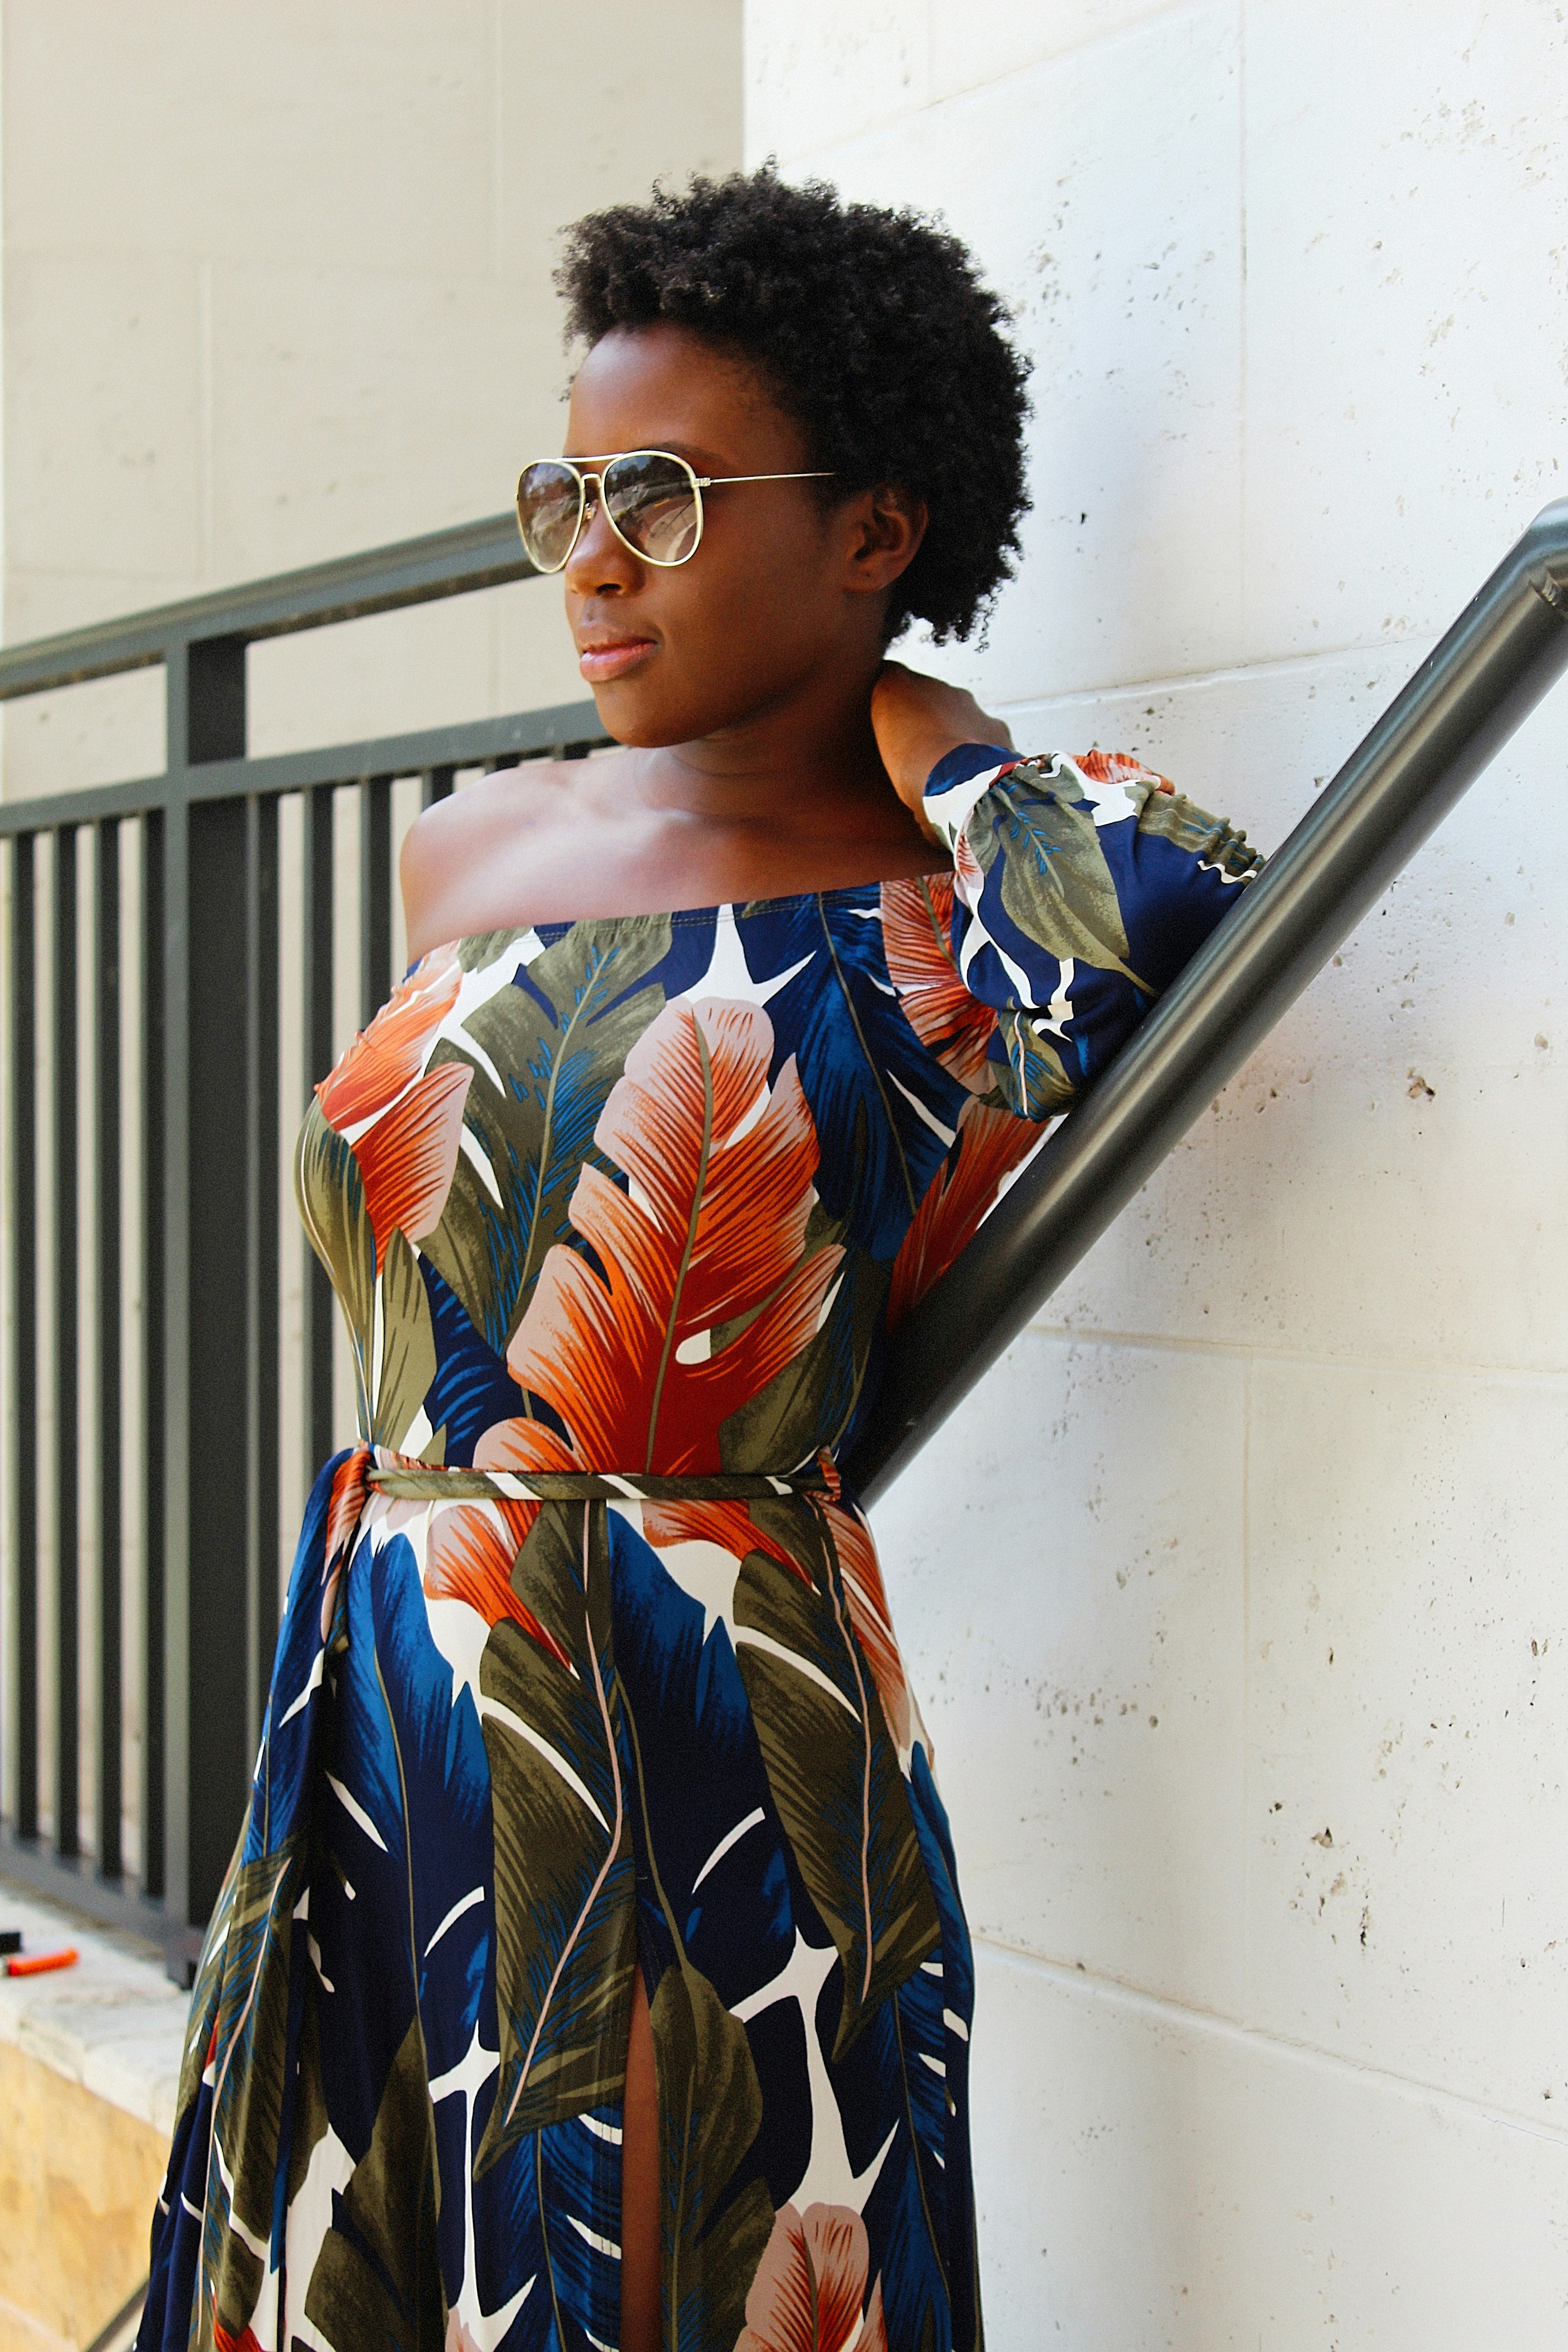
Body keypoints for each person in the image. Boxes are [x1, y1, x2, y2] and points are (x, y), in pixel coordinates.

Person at [136, 168, 1259, 2352]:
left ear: (873, 530)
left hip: (696, 1692)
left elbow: (1159, 919)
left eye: (661, 498)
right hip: (389, 1663)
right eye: (566, 497)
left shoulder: (929, 887)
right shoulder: (474, 843)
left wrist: (932, 734)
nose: (592, 560)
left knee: (674, 2256)